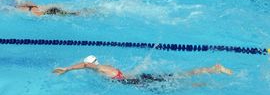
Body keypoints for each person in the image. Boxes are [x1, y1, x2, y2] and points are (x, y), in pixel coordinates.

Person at [53, 55, 233, 86]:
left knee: (178, 79)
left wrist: (67, 69)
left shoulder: (99, 68)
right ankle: (205, 79)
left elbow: (85, 65)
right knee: (177, 80)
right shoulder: (104, 66)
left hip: (139, 81)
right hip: (139, 79)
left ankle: (213, 70)